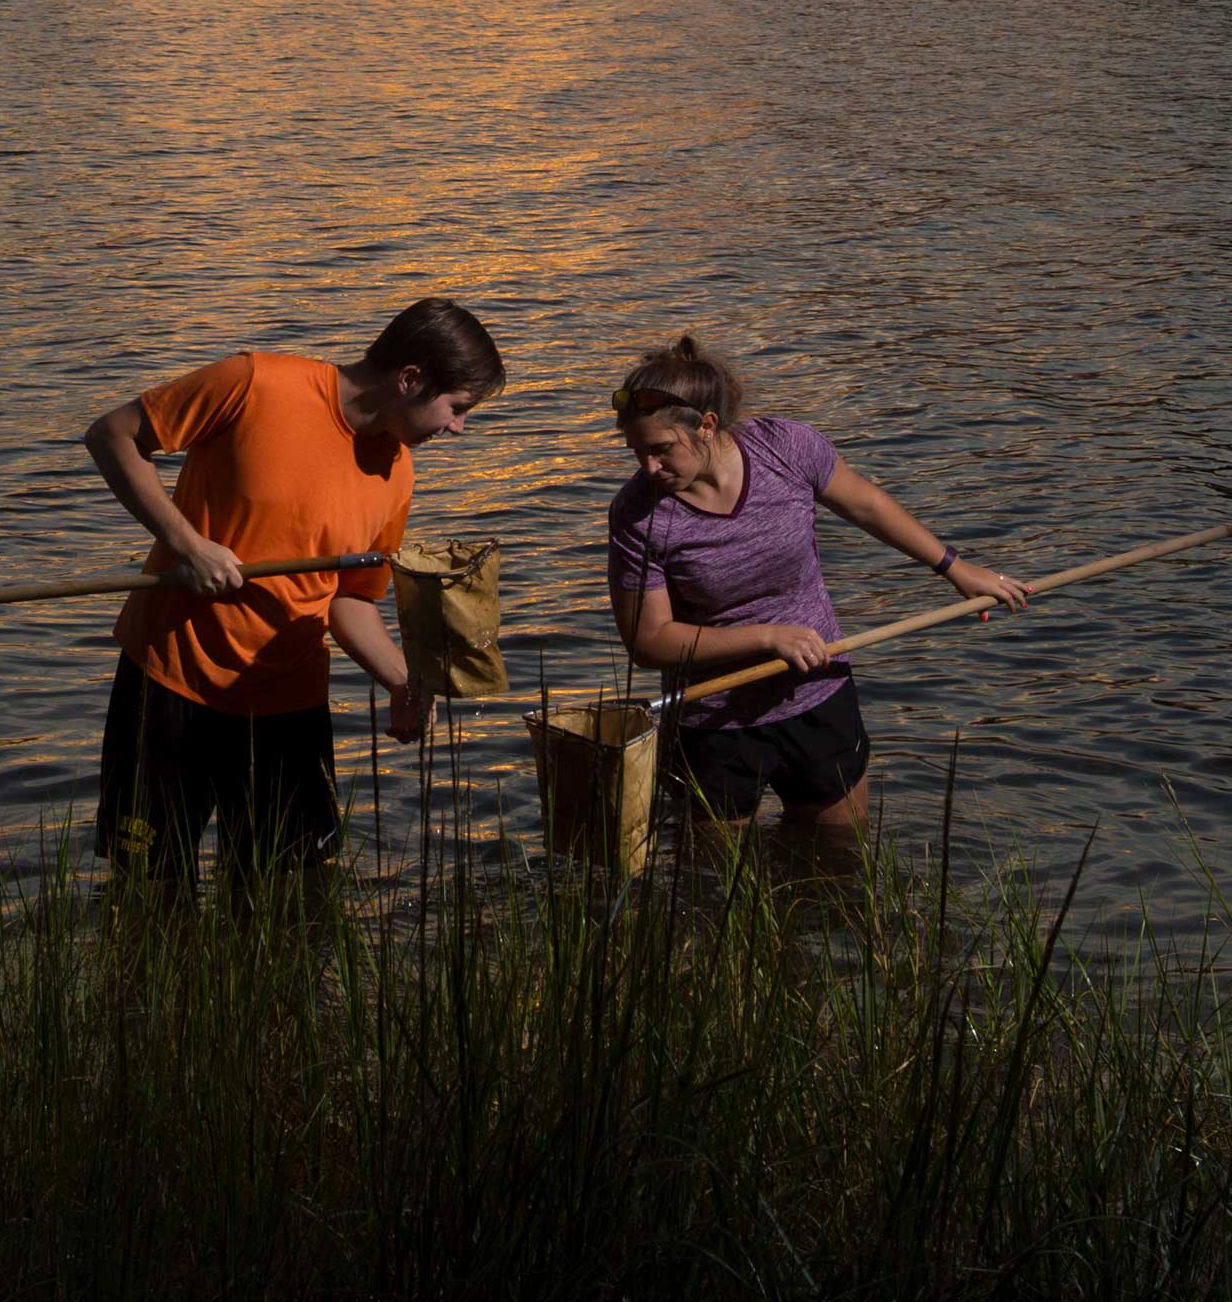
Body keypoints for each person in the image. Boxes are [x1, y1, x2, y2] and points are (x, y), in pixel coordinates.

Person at [86, 297, 505, 892]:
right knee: (149, 894)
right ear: (410, 378)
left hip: (287, 704)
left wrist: (403, 680)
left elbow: (349, 599)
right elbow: (112, 436)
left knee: (286, 907)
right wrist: (187, 544)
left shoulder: (398, 472)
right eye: (457, 408)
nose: (458, 427)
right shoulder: (255, 382)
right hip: (171, 682)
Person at [607, 336, 1028, 831]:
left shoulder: (784, 448)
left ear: (707, 425)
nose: (647, 468)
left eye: (660, 450)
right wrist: (768, 638)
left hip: (818, 696)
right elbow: (649, 641)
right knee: (713, 886)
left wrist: (956, 568)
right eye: (636, 451)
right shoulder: (637, 514)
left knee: (841, 863)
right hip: (714, 722)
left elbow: (867, 506)